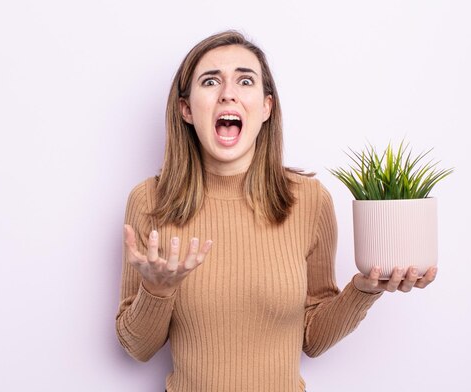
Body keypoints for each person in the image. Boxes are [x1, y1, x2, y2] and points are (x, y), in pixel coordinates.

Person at [115, 30, 437, 392]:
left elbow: (312, 339)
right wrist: (156, 291)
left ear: (267, 107)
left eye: (245, 80)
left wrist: (364, 289)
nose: (228, 93)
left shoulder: (309, 200)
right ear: (186, 109)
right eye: (210, 81)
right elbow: (137, 347)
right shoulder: (150, 201)